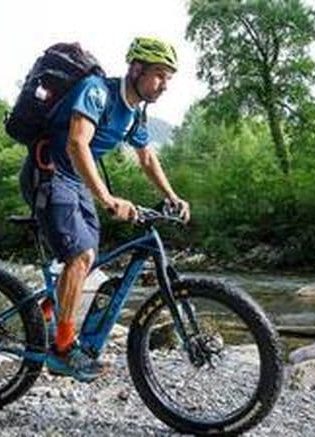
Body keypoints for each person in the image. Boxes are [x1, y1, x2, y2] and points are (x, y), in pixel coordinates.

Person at [19, 36, 190, 380]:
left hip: (77, 182)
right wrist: (109, 199)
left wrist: (172, 195)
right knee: (79, 256)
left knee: (89, 257)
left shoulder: (134, 113)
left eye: (169, 78)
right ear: (136, 69)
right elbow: (76, 142)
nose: (164, 85)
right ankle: (62, 350)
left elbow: (146, 157)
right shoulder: (97, 91)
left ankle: (42, 317)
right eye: (159, 75)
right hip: (49, 173)